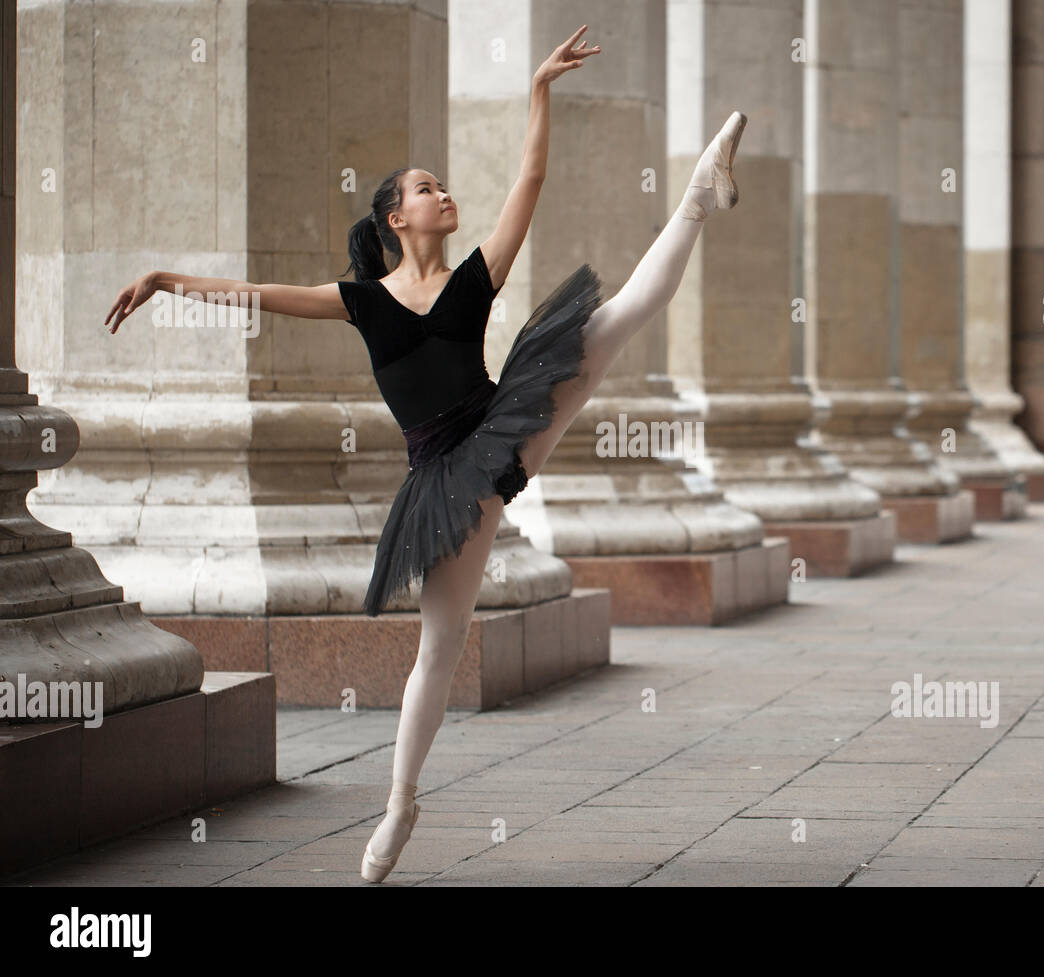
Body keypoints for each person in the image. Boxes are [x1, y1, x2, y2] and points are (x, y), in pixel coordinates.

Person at [104, 24, 747, 884]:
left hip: (501, 422)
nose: (443, 194)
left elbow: (531, 179)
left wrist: (538, 93)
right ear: (394, 219)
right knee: (439, 649)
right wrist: (165, 281)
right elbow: (254, 295)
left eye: (441, 185)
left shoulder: (475, 276)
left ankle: (700, 190)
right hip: (441, 479)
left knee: (615, 322)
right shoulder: (361, 301)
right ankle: (401, 801)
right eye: (425, 188)